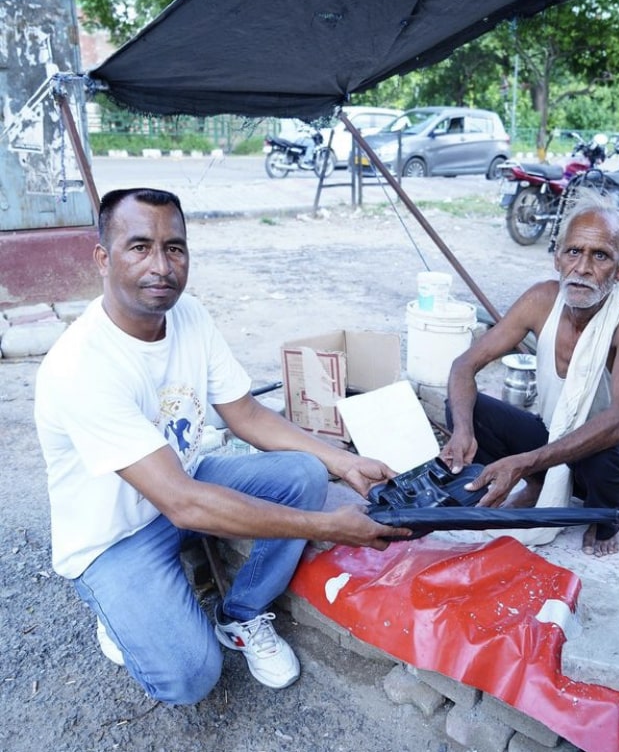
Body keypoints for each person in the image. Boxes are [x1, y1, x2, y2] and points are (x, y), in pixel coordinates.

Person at [34, 187, 409, 706]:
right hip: (114, 536)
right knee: (190, 678)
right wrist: (330, 527)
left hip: (181, 490)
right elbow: (182, 502)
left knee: (302, 473)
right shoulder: (82, 365)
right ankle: (122, 617)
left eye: (175, 248)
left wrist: (343, 462)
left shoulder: (190, 318)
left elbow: (248, 414)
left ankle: (240, 615)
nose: (161, 266)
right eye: (139, 247)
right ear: (103, 258)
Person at [440, 189, 619, 557]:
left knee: (603, 448)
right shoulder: (541, 300)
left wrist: (525, 459)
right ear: (557, 257)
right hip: (555, 440)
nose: (583, 268)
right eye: (574, 252)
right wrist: (463, 430)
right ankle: (538, 484)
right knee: (468, 408)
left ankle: (606, 514)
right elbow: (463, 366)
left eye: (600, 256)